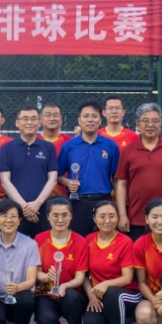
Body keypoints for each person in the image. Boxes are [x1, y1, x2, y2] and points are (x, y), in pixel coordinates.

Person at [115, 103, 162, 241]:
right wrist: (122, 215)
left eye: (155, 121)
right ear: (137, 124)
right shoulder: (128, 150)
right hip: (136, 218)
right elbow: (121, 184)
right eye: (145, 121)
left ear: (161, 123)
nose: (150, 125)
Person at [81, 199, 139, 324]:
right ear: (94, 218)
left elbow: (127, 278)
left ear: (118, 218)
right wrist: (91, 296)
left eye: (112, 216)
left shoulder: (125, 242)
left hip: (127, 294)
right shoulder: (88, 240)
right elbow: (83, 274)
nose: (107, 221)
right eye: (102, 216)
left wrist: (106, 284)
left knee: (113, 293)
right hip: (100, 295)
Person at [57, 100, 120, 236]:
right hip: (77, 203)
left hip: (103, 202)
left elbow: (117, 178)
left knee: (103, 242)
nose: (90, 120)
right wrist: (67, 182)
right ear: (79, 120)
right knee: (78, 242)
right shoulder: (68, 146)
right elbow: (57, 176)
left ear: (100, 119)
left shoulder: (110, 146)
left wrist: (119, 208)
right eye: (86, 116)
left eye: (94, 116)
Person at [33, 197, 88, 324]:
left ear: (71, 216)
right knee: (46, 320)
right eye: (55, 215)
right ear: (48, 216)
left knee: (70, 297)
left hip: (72, 292)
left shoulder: (80, 241)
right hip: (46, 291)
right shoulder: (39, 239)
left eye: (64, 215)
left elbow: (80, 278)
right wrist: (46, 277)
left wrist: (65, 286)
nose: (60, 219)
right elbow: (36, 272)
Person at [0, 106, 58, 239]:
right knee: (15, 248)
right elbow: (5, 181)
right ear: (17, 123)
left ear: (39, 122)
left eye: (33, 119)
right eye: (25, 119)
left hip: (42, 209)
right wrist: (24, 207)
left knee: (43, 247)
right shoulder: (7, 148)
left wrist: (37, 204)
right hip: (15, 211)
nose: (29, 122)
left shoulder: (48, 148)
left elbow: (53, 178)